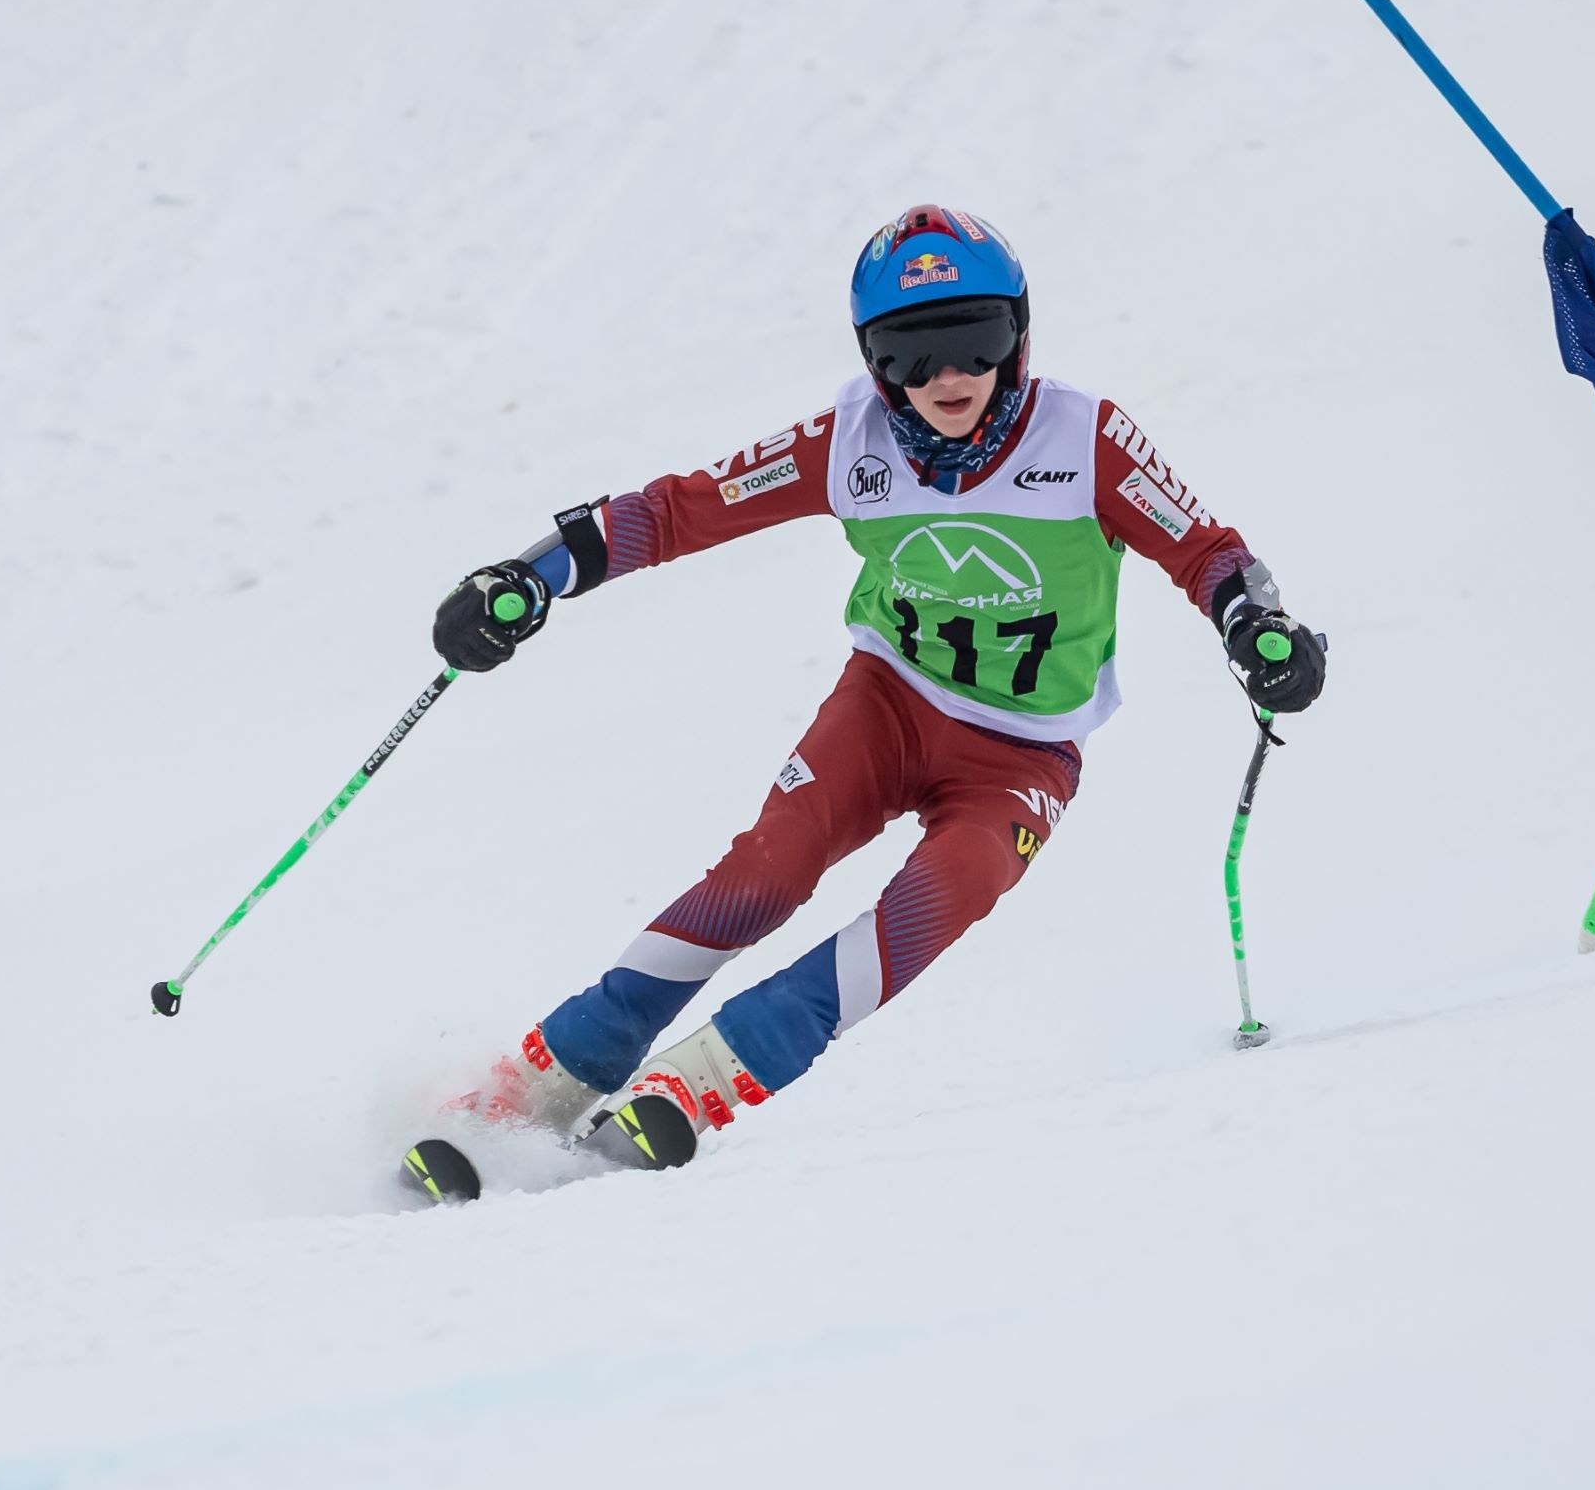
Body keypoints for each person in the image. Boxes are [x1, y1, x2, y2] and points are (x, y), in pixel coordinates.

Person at [428, 205, 1325, 1170]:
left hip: (1022, 751)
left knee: (946, 894)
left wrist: (1257, 626)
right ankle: (539, 1085)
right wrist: (527, 577)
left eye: (976, 343)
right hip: (887, 706)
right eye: (909, 353)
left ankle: (700, 1080)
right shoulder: (847, 442)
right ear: (871, 358)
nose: (949, 378)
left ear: (1018, 338)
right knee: (766, 871)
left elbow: (1207, 551)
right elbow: (682, 510)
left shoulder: (1086, 437)